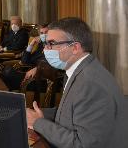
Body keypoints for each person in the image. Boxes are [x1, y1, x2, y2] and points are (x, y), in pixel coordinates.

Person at [26, 17, 128, 148]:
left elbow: (82, 144)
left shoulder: (91, 84)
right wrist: (39, 114)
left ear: (75, 47)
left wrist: (38, 123)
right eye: (46, 43)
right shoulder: (80, 69)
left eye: (51, 43)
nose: (45, 49)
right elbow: (71, 111)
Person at [0, 24, 49, 90]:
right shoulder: (40, 45)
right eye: (41, 33)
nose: (44, 35)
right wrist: (31, 45)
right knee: (6, 71)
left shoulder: (54, 47)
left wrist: (38, 68)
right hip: (28, 75)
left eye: (46, 32)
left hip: (39, 79)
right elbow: (24, 61)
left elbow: (50, 64)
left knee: (7, 73)